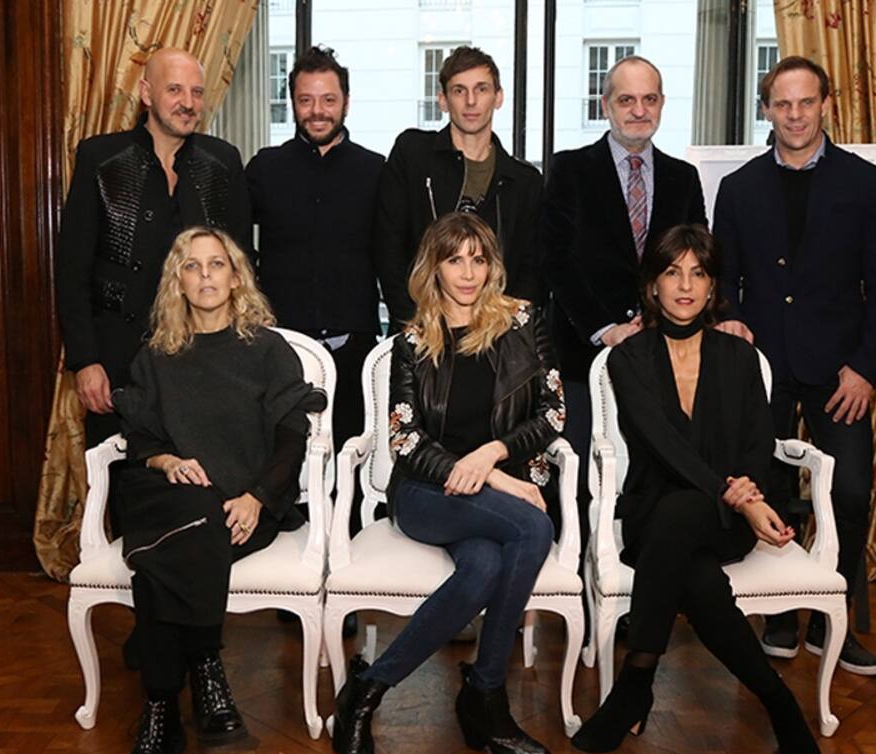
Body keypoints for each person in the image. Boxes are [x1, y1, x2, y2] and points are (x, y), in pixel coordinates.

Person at [571, 225, 822, 754]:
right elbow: (664, 447)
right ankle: (779, 702)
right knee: (699, 576)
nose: (685, 285)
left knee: (684, 517)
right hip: (658, 513)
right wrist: (743, 500)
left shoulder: (740, 356)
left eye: (698, 273)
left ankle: (635, 681)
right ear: (652, 285)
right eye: (672, 272)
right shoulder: (628, 358)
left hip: (722, 520)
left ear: (712, 287)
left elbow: (758, 443)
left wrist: (742, 495)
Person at [332, 213, 564, 754]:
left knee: (485, 565)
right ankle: (486, 697)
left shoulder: (523, 322)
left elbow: (554, 413)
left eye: (478, 260)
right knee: (533, 528)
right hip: (426, 493)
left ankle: (369, 689)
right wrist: (494, 476)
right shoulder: (411, 343)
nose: (468, 273)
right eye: (454, 259)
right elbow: (405, 439)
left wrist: (493, 454)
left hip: (488, 491)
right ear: (433, 267)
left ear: (493, 266)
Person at [110, 227, 326, 754]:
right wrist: (168, 463)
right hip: (167, 494)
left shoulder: (267, 350)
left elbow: (292, 438)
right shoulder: (157, 355)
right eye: (191, 266)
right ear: (177, 281)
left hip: (244, 505)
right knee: (189, 520)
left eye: (216, 264)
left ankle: (160, 712)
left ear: (235, 277)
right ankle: (204, 669)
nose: (205, 275)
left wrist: (258, 497)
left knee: (162, 560)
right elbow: (142, 440)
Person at [713, 56, 876, 676]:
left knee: (849, 492)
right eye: (782, 104)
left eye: (805, 102)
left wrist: (865, 369)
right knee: (765, 488)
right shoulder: (738, 188)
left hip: (840, 371)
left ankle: (830, 620)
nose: (794, 115)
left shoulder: (866, 184)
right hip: (762, 369)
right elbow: (723, 280)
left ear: (825, 105)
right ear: (767, 109)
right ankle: (777, 615)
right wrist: (732, 321)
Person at [542, 55, 706, 553]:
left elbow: (695, 263)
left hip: (661, 353)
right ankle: (574, 575)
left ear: (662, 104)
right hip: (581, 351)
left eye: (649, 99)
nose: (639, 110)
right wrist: (605, 328)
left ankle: (637, 577)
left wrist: (657, 322)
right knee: (578, 477)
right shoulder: (570, 169)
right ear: (605, 105)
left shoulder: (683, 178)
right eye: (627, 99)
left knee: (651, 476)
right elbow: (556, 260)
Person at [55, 47, 252, 447]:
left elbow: (242, 263)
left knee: (203, 470)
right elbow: (72, 270)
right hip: (117, 360)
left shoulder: (222, 161)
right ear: (146, 93)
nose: (188, 103)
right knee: (123, 474)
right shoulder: (100, 158)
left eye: (197, 92)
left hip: (203, 360)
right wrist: (85, 361)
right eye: (175, 90)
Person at [246, 46, 383, 459]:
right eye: (306, 100)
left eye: (328, 99)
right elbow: (235, 249)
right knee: (280, 463)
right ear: (293, 103)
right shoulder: (265, 168)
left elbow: (393, 253)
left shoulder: (376, 170)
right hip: (279, 350)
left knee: (350, 460)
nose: (317, 111)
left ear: (346, 102)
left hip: (354, 350)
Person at [374, 46, 543, 329]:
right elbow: (388, 247)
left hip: (497, 333)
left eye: (481, 89)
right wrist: (413, 322)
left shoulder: (524, 181)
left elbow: (532, 268)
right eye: (459, 91)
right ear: (443, 100)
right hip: (419, 327)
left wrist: (507, 327)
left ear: (498, 97)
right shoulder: (413, 155)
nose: (471, 101)